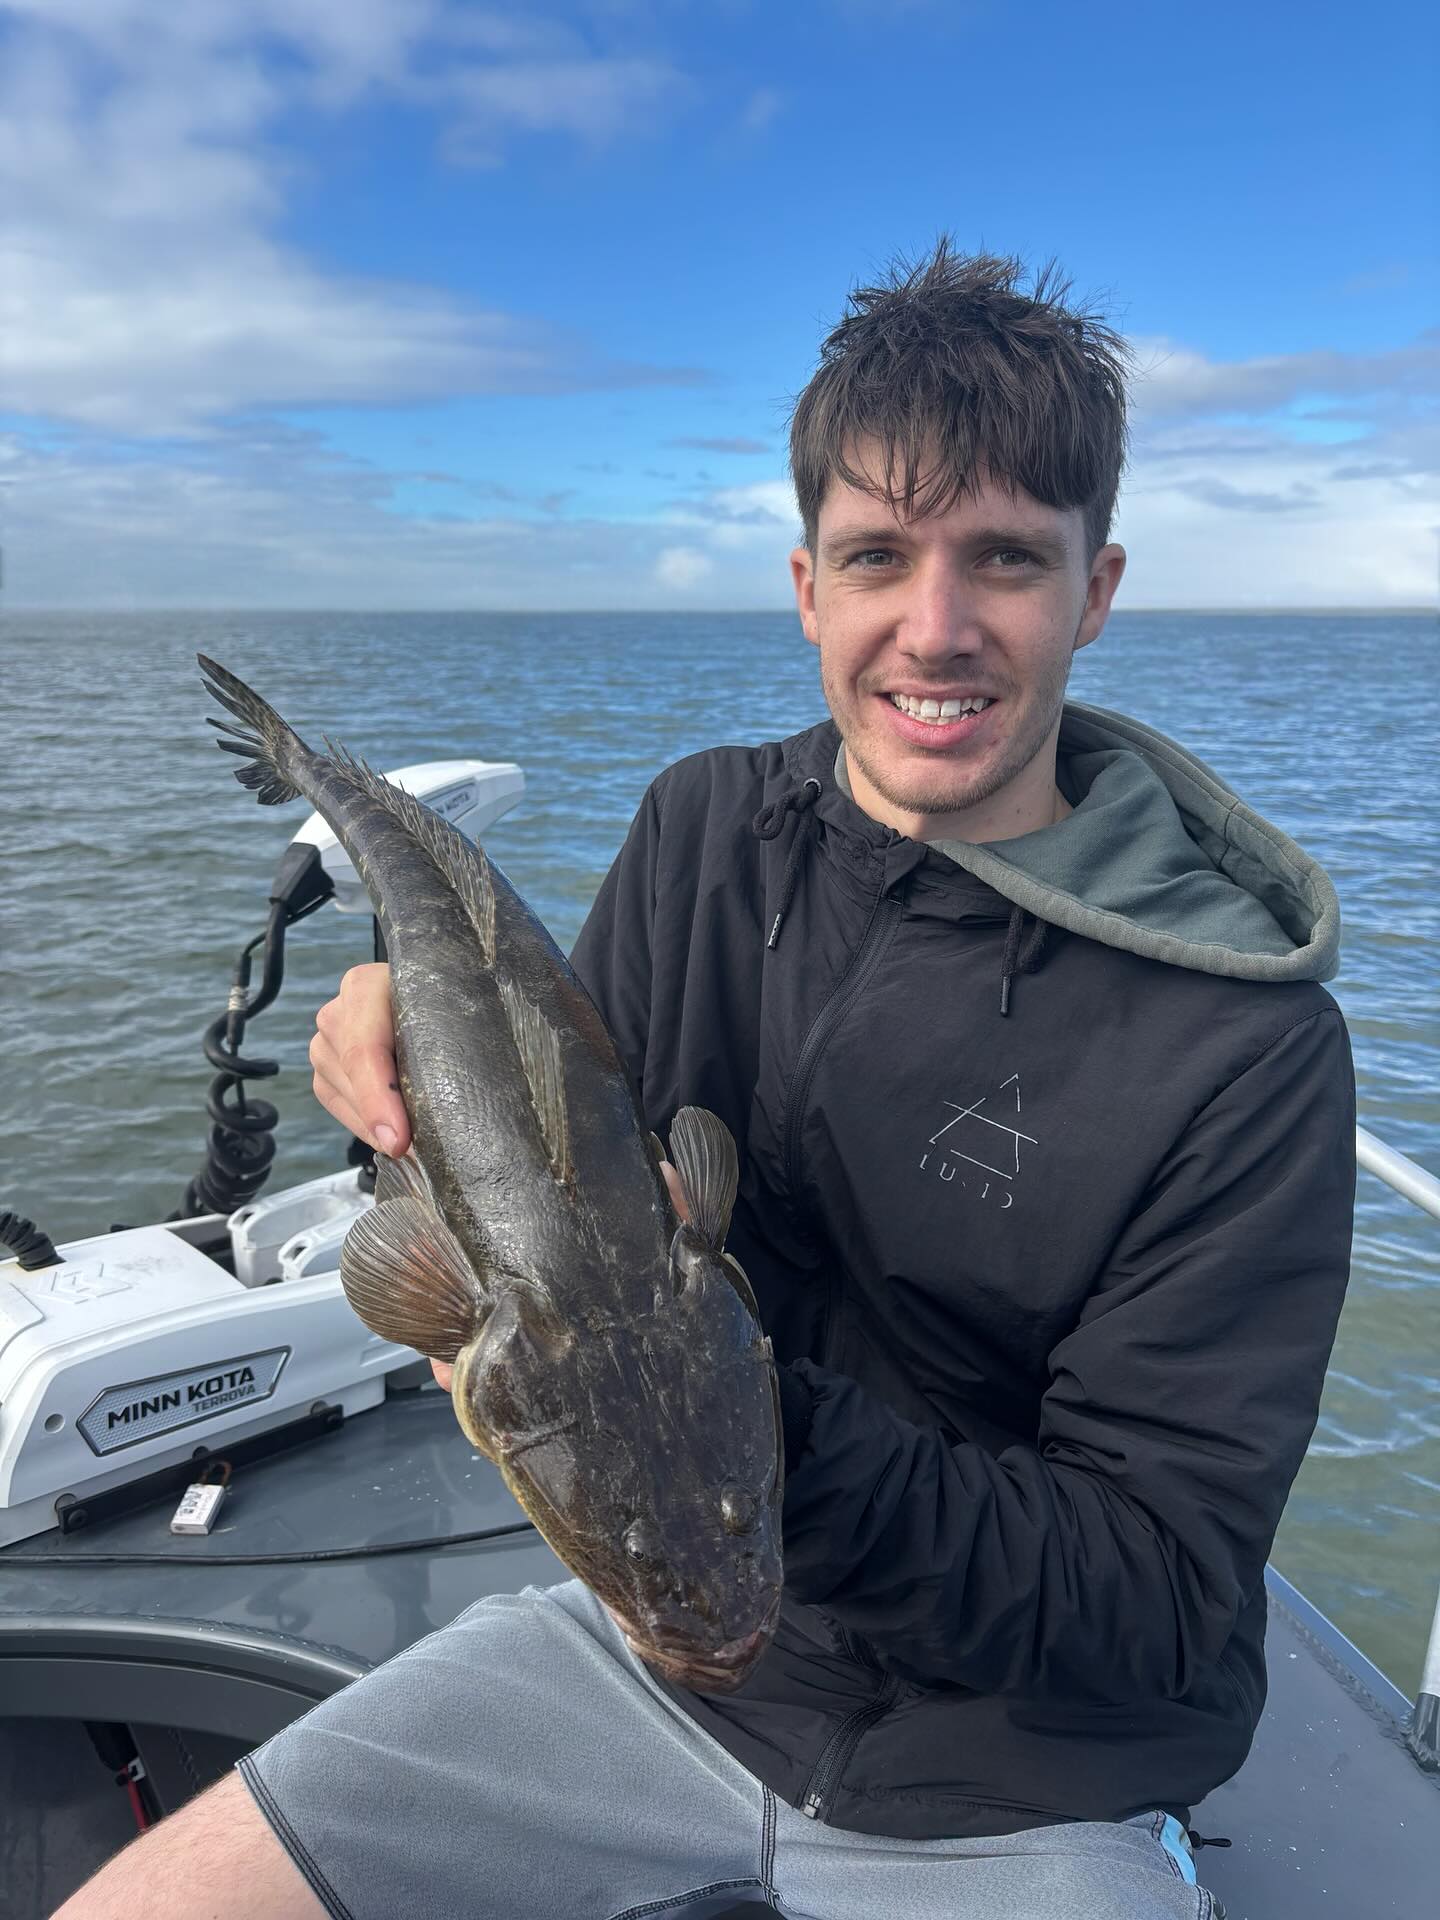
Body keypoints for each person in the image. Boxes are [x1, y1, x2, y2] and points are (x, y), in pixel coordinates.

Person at [59, 245, 1354, 1920]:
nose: (935, 627)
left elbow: (1158, 1596)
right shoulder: (704, 832)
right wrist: (398, 1095)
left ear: (1093, 589)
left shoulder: (1245, 1049)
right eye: (878, 556)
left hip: (1025, 1777)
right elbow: (543, 1181)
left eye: (1006, 560)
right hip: (650, 1664)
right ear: (809, 586)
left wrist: (732, 1435)